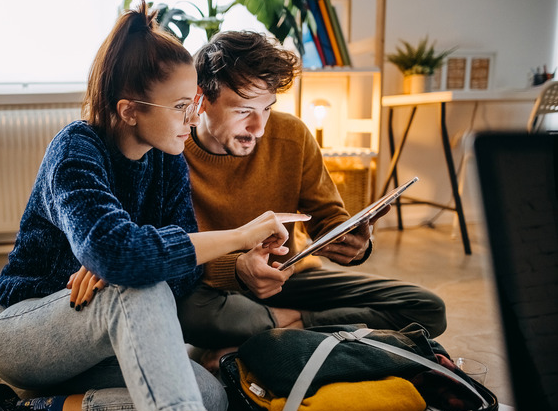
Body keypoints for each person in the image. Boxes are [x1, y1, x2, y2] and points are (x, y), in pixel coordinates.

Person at [0, 3, 307, 411]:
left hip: (102, 335)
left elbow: (179, 281)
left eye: (194, 102)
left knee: (210, 400)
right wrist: (236, 237)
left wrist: (124, 260)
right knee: (137, 287)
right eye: (181, 106)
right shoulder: (74, 151)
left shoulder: (168, 161)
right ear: (129, 111)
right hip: (22, 330)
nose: (193, 117)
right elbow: (123, 257)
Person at [177, 31, 448, 370]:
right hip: (212, 288)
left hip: (288, 279)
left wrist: (353, 243)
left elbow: (328, 216)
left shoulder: (291, 135)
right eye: (244, 110)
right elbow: (172, 252)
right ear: (201, 99)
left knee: (427, 307)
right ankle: (308, 333)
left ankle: (286, 328)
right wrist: (236, 268)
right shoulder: (172, 149)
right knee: (183, 311)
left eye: (267, 109)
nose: (258, 128)